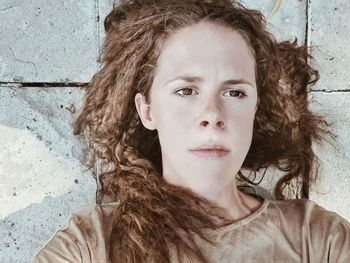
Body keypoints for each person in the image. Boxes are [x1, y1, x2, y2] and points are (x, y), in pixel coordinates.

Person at [33, 0, 350, 262]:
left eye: (235, 92)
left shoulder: (320, 239)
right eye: (186, 90)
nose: (212, 115)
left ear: (255, 108)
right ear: (148, 110)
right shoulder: (89, 245)